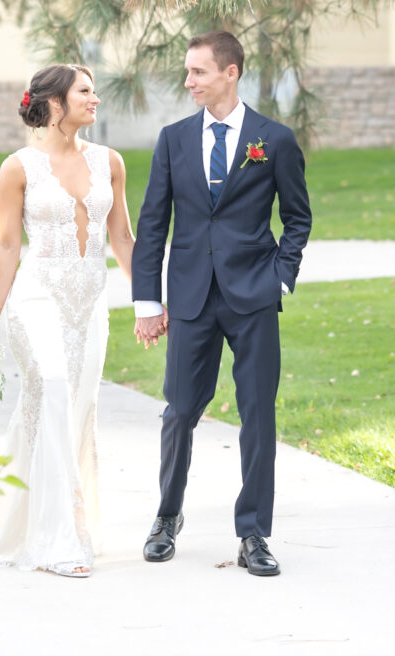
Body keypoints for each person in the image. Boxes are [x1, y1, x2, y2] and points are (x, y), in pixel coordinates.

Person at [132, 31, 312, 576]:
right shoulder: (173, 139)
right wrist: (147, 301)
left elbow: (297, 218)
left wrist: (280, 278)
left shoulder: (273, 140)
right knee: (180, 410)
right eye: (188, 71)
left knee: (257, 413)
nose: (188, 81)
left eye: (198, 72)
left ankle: (253, 533)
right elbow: (153, 224)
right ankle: (167, 516)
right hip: (190, 297)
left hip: (253, 295)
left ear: (230, 73)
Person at [0, 63, 135, 577]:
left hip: (89, 306)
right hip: (37, 298)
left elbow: (123, 238)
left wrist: (150, 302)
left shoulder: (110, 161)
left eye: (94, 91)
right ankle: (60, 540)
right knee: (50, 388)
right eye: (85, 91)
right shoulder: (18, 167)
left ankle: (32, 519)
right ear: (53, 103)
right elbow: (7, 245)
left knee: (76, 407)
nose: (95, 99)